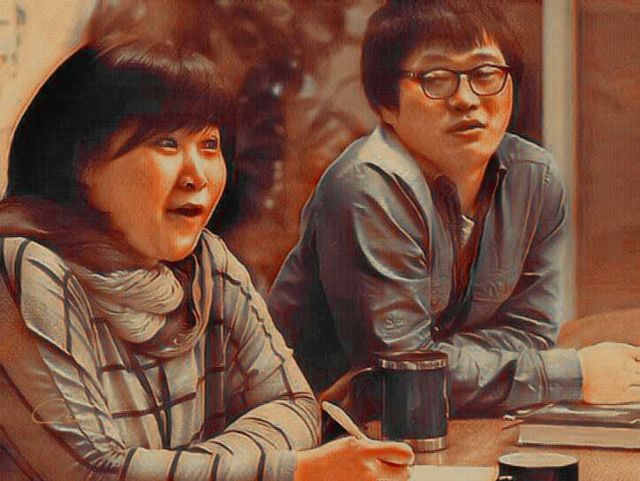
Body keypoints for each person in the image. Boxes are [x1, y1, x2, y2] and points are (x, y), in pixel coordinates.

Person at [0, 35, 413, 481]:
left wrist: (194, 469)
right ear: (83, 161)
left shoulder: (207, 263)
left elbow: (295, 406)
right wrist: (287, 471)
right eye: (167, 144)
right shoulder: (23, 267)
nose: (196, 175)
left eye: (210, 145)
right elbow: (91, 472)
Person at [268, 0, 640, 417]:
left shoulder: (535, 179)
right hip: (316, 427)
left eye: (485, 74)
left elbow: (531, 336)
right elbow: (405, 378)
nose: (466, 99)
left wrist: (441, 358)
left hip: (445, 421)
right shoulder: (364, 187)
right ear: (386, 104)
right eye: (436, 79)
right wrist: (572, 374)